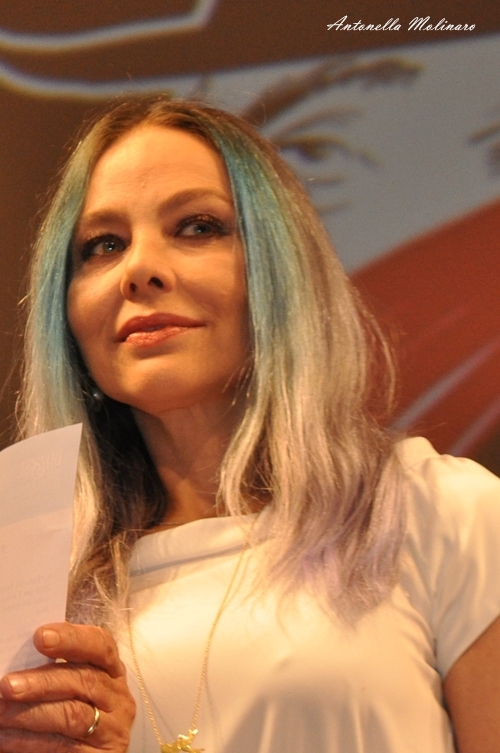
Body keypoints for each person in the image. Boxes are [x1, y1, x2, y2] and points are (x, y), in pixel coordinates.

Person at [0, 96, 499, 753]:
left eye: (197, 226)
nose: (139, 269)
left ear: (279, 269)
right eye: (104, 244)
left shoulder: (439, 511)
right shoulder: (29, 591)